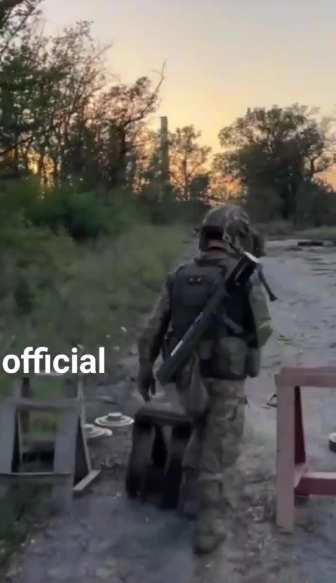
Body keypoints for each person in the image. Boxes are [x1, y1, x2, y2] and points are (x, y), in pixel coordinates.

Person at [136, 204, 273, 555]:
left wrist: (144, 370)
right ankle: (209, 531)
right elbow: (264, 330)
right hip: (227, 377)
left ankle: (187, 496)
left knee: (200, 430)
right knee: (221, 452)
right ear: (234, 235)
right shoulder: (245, 275)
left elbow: (151, 330)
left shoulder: (181, 274)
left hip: (187, 377)